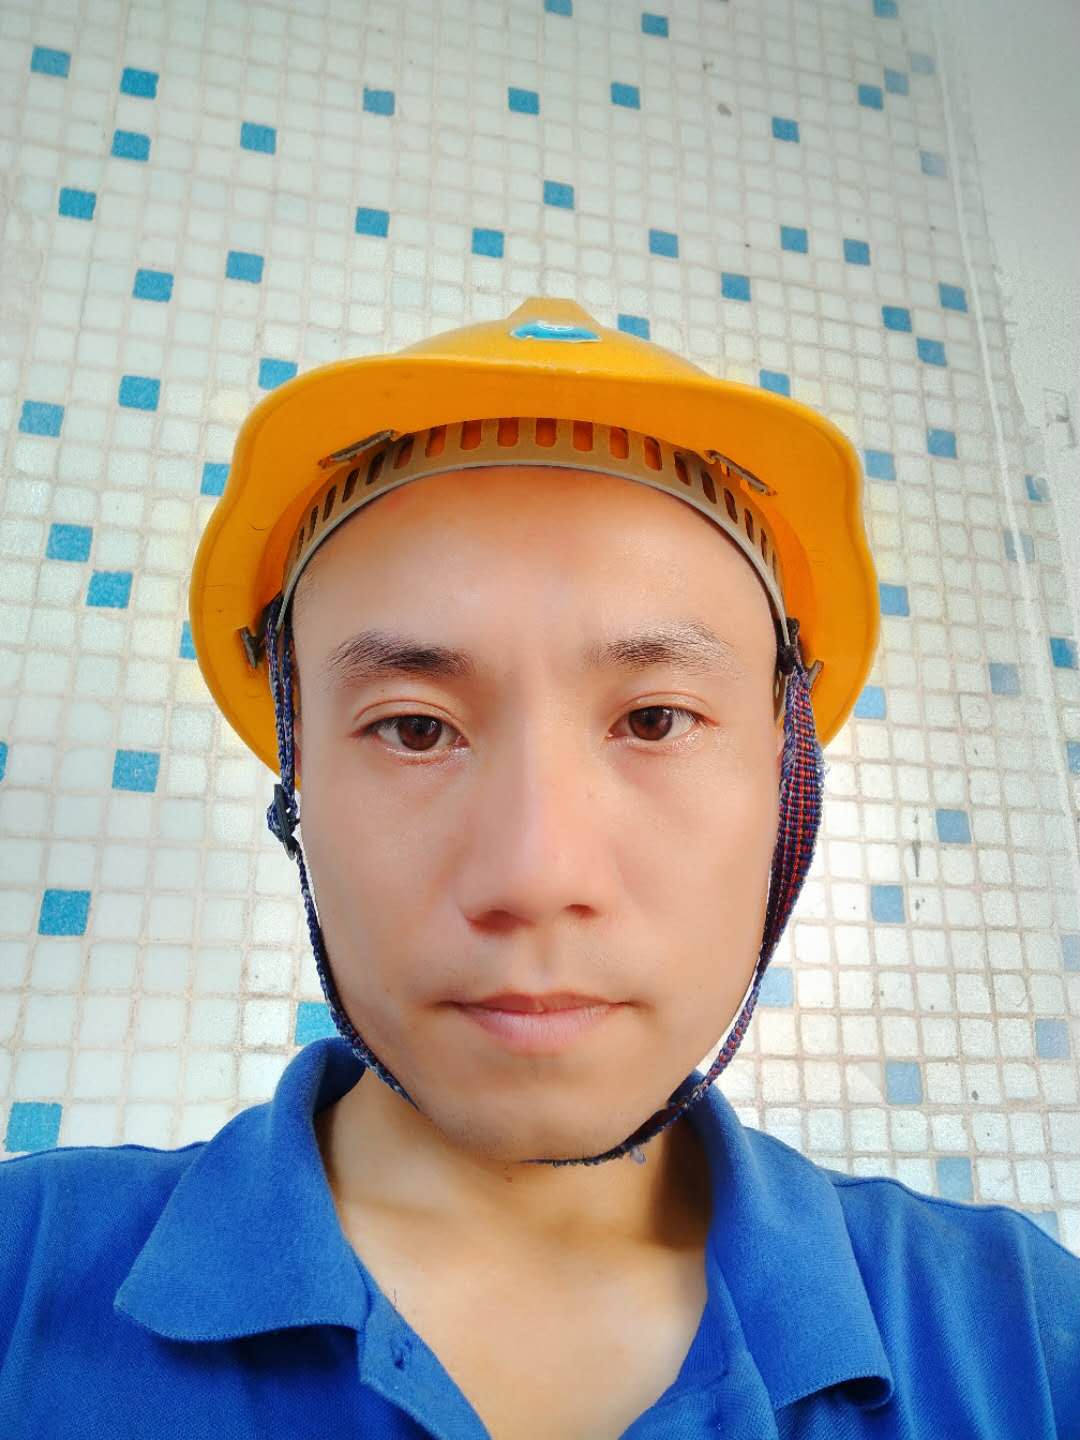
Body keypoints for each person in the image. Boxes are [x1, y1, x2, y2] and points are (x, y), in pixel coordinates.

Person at [1, 298, 1077, 1438]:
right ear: (297, 782)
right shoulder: (24, 1269)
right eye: (414, 727)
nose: (533, 873)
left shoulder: (1025, 1338)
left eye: (656, 719)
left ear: (787, 775)